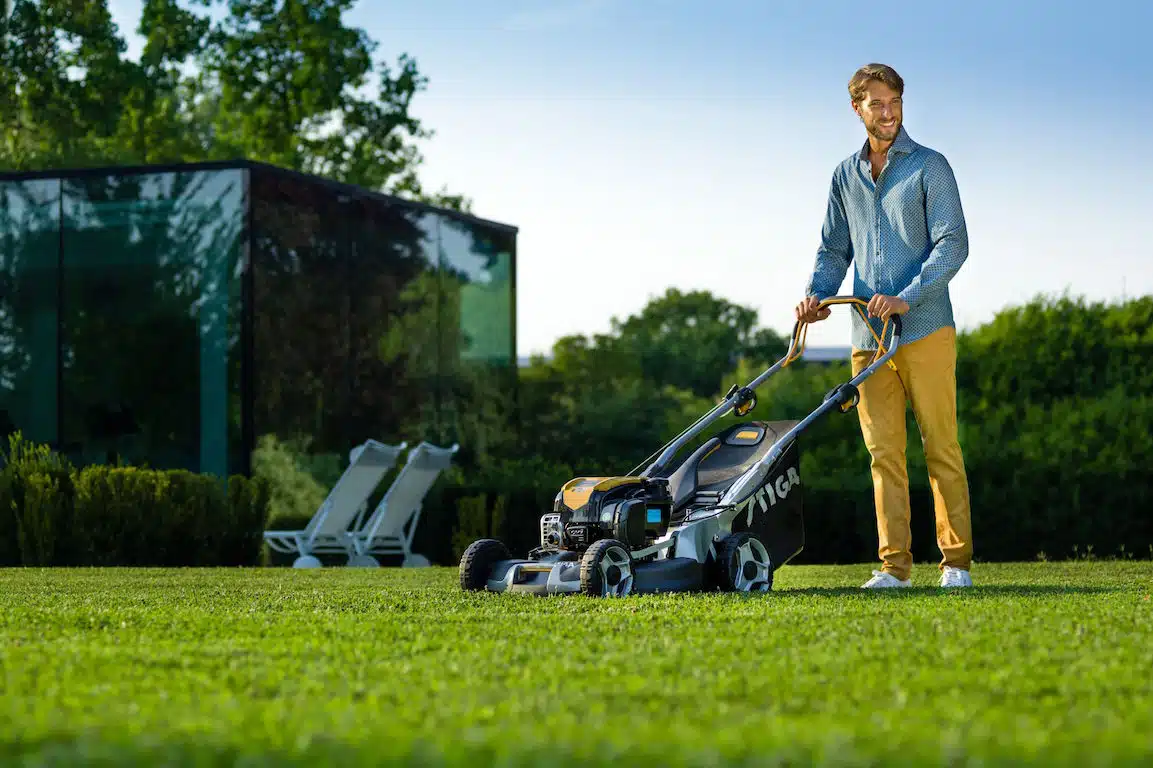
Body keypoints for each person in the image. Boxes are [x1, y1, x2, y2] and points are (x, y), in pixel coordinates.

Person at [796, 63, 974, 589]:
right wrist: (817, 296)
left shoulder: (930, 168)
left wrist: (907, 297)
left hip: (925, 330)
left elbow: (953, 244)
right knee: (883, 456)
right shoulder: (844, 176)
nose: (889, 111)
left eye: (894, 100)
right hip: (867, 341)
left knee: (941, 446)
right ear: (858, 109)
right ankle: (894, 567)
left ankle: (956, 564)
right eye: (877, 103)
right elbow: (833, 248)